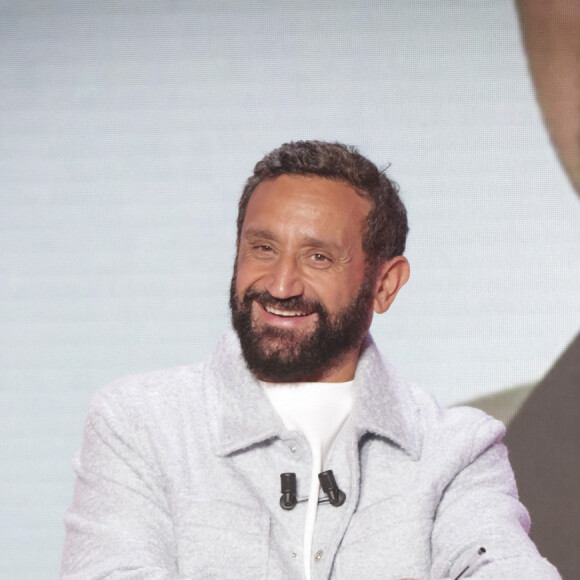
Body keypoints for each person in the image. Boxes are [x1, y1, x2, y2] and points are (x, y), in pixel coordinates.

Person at [61, 141, 560, 579]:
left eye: (318, 257)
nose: (280, 285)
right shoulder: (139, 422)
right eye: (262, 248)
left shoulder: (456, 448)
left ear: (384, 285)